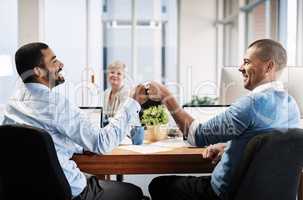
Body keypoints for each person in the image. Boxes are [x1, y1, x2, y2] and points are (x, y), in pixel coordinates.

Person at [146, 39, 301, 200]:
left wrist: (166, 96)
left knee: (159, 185)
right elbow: (268, 144)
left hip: (226, 195)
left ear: (269, 66)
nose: (240, 68)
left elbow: (196, 136)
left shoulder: (251, 104)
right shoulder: (292, 106)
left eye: (246, 62)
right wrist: (230, 147)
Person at [2, 42, 148, 200]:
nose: (61, 64)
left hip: (25, 192)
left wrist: (79, 144)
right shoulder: (55, 104)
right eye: (54, 60)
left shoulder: (12, 104)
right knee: (134, 193)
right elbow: (102, 143)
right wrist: (133, 102)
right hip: (67, 193)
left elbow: (46, 140)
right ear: (38, 71)